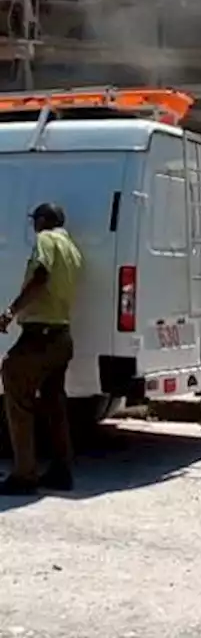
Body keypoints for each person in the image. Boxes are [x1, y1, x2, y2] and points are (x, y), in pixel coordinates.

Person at [0, 203, 84, 495]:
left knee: (16, 390)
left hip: (39, 334)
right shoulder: (72, 249)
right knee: (54, 404)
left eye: (35, 220)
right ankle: (62, 471)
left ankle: (24, 475)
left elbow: (41, 275)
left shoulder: (46, 240)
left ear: (43, 221)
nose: (33, 226)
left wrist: (11, 311)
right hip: (61, 336)